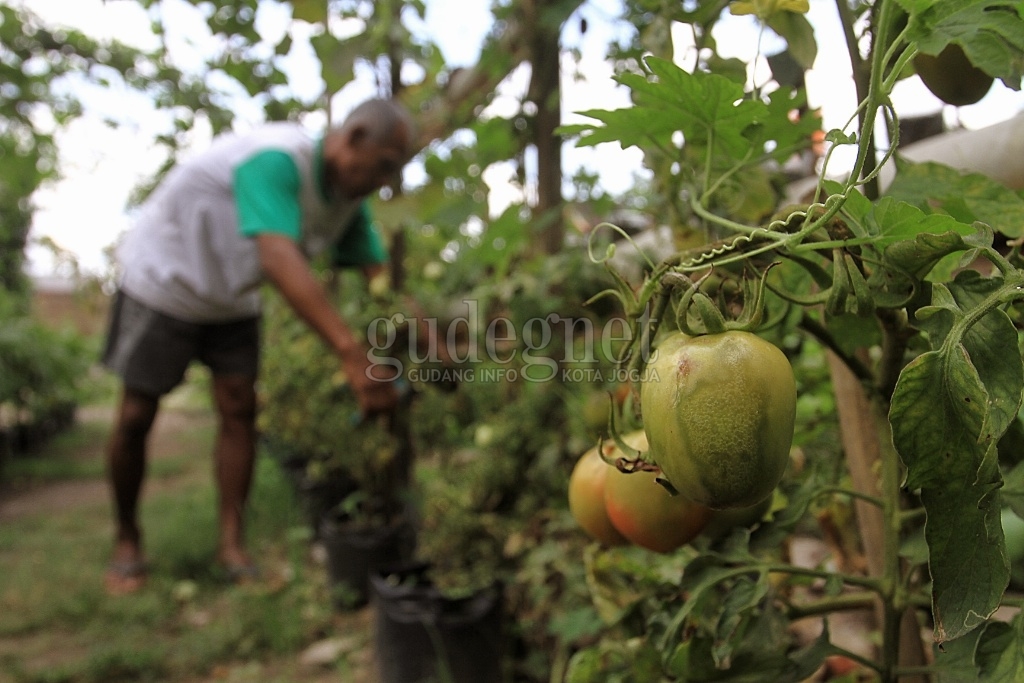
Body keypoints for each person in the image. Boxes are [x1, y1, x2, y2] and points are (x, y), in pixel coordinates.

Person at [100, 98, 414, 595]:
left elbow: (383, 284)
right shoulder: (276, 158)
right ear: (353, 138)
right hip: (165, 282)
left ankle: (231, 544)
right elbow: (276, 252)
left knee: (239, 410)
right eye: (384, 166)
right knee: (136, 414)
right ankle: (127, 539)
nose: (385, 182)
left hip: (232, 300)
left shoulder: (348, 203)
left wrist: (431, 335)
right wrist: (354, 356)